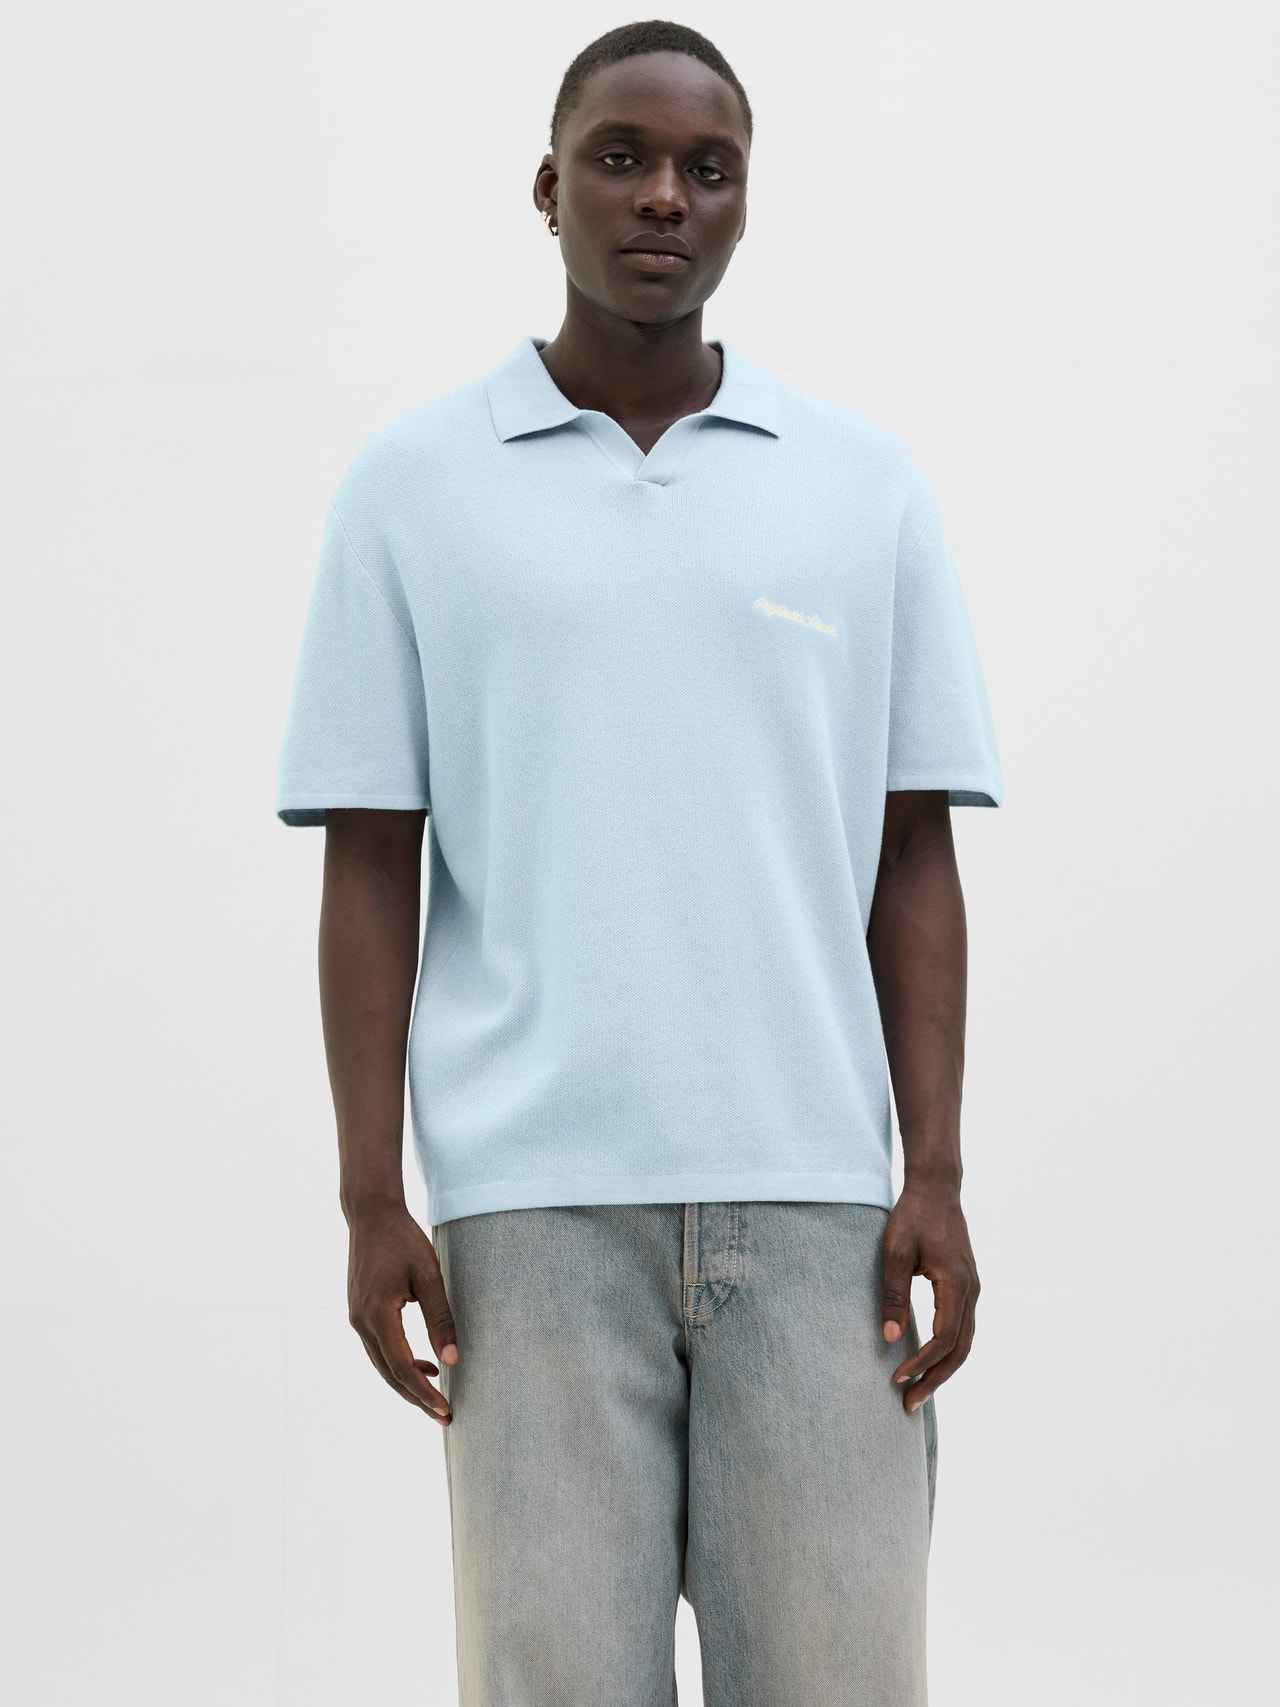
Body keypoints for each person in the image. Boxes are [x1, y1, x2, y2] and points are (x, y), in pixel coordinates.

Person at [276, 19, 1002, 1706]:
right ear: (548, 188)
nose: (665, 195)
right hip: (529, 1218)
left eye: (708, 169)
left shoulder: (861, 489)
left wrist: (939, 1171)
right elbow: (372, 863)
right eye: (622, 159)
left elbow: (912, 852)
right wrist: (370, 1192)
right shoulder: (410, 491)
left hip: (818, 1209)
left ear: (745, 203)